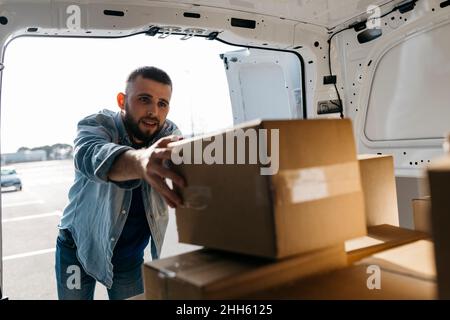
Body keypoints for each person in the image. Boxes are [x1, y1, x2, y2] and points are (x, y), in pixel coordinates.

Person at [55, 66, 185, 300]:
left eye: (162, 103)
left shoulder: (168, 133)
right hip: (77, 248)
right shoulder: (97, 124)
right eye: (144, 99)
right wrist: (140, 161)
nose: (153, 112)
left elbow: (190, 162)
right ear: (122, 100)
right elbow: (90, 155)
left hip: (128, 255)